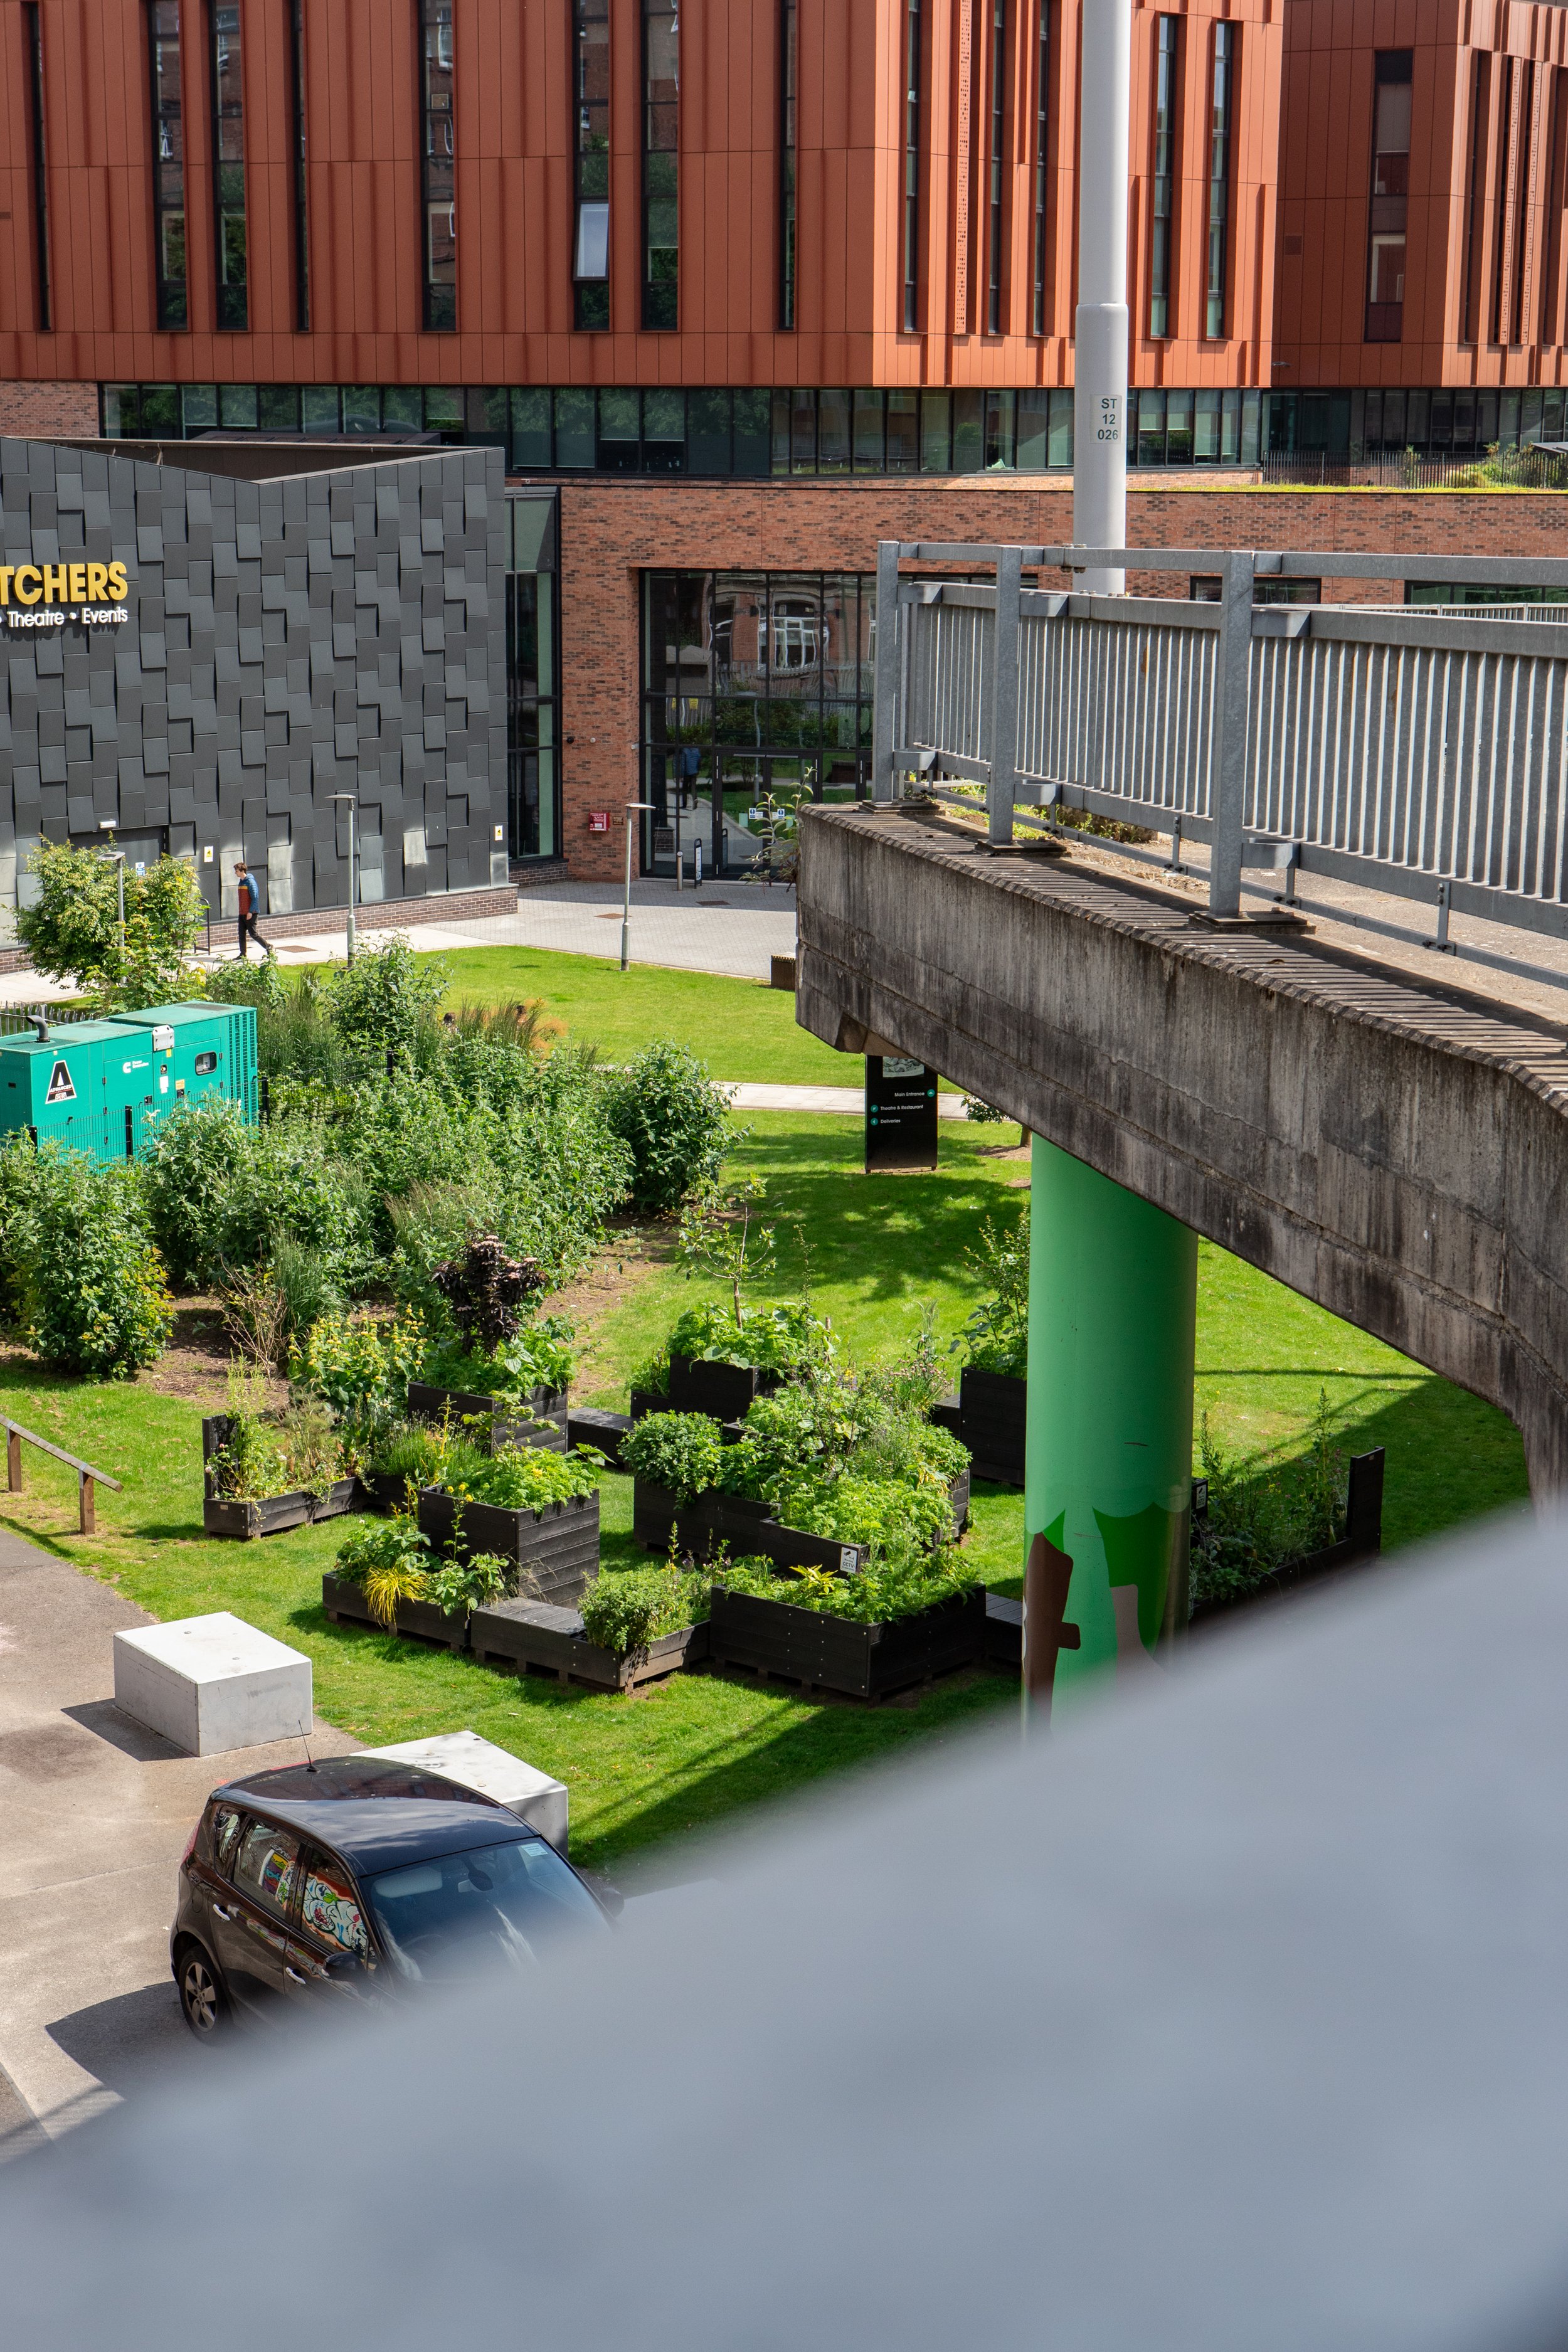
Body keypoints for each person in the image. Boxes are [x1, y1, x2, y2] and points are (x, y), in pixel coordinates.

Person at [234, 861, 273, 961]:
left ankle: (268, 946)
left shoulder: (250, 882)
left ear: (242, 871)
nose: (236, 873)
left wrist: (250, 912)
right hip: (242, 913)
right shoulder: (241, 882)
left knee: (253, 934)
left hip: (251, 913)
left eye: (237, 871)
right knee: (241, 934)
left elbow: (255, 898)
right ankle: (243, 954)